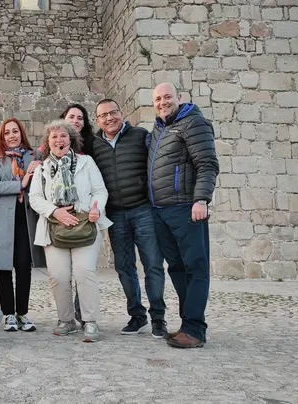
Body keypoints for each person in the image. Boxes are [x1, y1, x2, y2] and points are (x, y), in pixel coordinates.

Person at [83, 99, 168, 338]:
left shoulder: (140, 136)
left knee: (153, 264)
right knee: (124, 267)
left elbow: (159, 160)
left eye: (113, 112)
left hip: (143, 210)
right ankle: (137, 315)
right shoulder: (94, 145)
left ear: (121, 113)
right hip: (115, 214)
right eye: (103, 115)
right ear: (97, 120)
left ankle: (158, 318)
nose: (109, 118)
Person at [148, 83, 219, 348]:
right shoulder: (159, 128)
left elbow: (207, 164)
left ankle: (195, 330)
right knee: (177, 268)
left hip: (186, 208)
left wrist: (201, 199)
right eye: (158, 99)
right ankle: (187, 324)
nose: (162, 102)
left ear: (179, 97)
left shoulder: (194, 123)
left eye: (167, 97)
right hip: (161, 211)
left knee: (195, 267)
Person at [28, 120, 112, 343]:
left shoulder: (86, 162)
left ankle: (90, 320)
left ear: (71, 139)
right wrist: (56, 212)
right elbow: (35, 198)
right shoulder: (42, 169)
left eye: (63, 136)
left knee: (84, 272)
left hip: (85, 223)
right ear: (48, 142)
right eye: (54, 137)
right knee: (58, 276)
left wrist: (95, 208)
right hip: (55, 226)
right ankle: (66, 320)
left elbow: (100, 191)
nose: (59, 140)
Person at [0, 118, 44, 332]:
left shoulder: (33, 156)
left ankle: (22, 313)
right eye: (7, 132)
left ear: (21, 133)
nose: (11, 135)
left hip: (26, 218)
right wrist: (21, 183)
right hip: (2, 219)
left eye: (15, 131)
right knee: (4, 267)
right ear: (2, 136)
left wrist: (39, 167)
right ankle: (8, 313)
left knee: (24, 265)